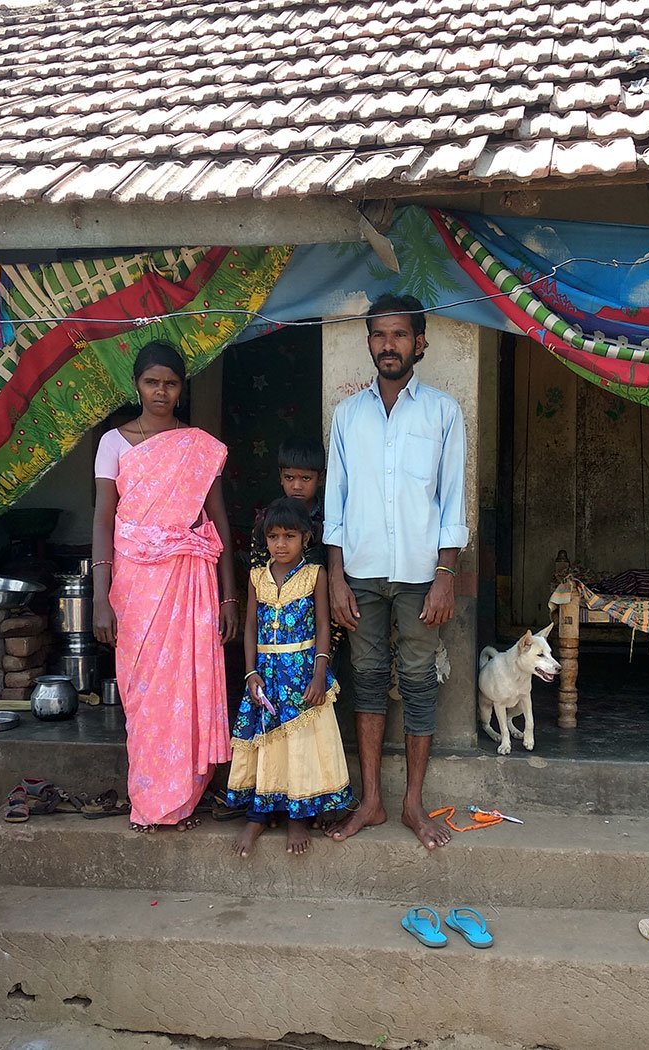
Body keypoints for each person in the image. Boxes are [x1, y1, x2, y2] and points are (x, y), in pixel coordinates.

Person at [323, 293, 468, 851]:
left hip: (419, 573)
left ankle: (412, 800)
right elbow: (335, 505)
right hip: (358, 574)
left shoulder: (442, 412)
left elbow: (452, 501)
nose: (389, 344)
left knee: (417, 682)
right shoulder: (347, 416)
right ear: (368, 344)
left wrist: (446, 574)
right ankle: (371, 801)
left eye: (400, 335)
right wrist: (335, 578)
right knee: (366, 681)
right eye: (380, 335)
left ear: (419, 344)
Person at [91, 342, 240, 833]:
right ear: (136, 385)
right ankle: (151, 799)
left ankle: (182, 799)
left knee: (185, 689)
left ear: (182, 388)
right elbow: (102, 520)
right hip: (133, 586)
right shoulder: (113, 443)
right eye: (153, 382)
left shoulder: (197, 446)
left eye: (171, 383)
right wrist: (100, 596)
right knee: (143, 695)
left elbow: (217, 521)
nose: (161, 391)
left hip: (188, 581)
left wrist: (228, 595)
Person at [225, 497, 354, 857]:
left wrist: (319, 673)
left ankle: (297, 818)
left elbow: (324, 627)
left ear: (306, 539)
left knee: (300, 747)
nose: (281, 544)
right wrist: (251, 672)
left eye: (290, 536)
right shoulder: (256, 577)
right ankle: (259, 814)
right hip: (266, 675)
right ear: (264, 539)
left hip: (302, 674)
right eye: (273, 537)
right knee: (268, 743)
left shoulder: (316, 575)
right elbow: (250, 627)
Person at [249, 436, 327, 569]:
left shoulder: (328, 517)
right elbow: (258, 568)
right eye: (289, 477)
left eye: (306, 478)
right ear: (281, 476)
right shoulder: (267, 517)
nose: (297, 486)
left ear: (321, 478)